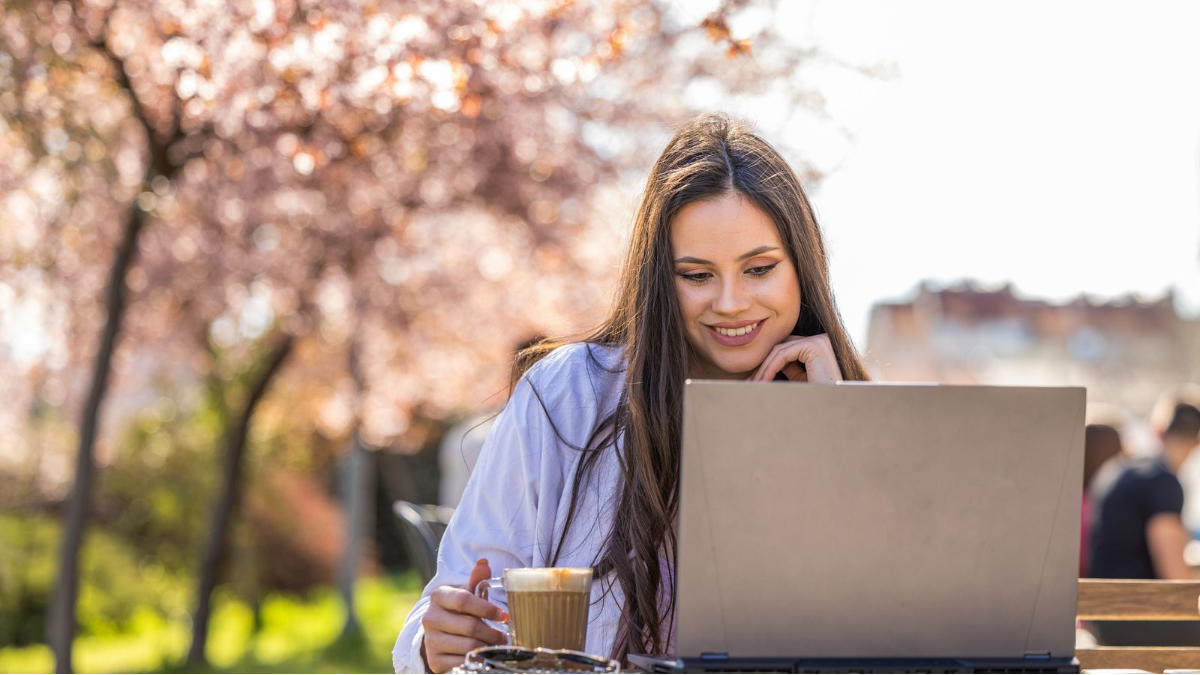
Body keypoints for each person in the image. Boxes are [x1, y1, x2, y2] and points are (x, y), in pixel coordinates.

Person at [391, 113, 871, 673]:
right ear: (658, 280)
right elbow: (455, 607)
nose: (732, 302)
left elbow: (894, 626)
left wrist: (840, 427)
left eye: (759, 269)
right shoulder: (569, 394)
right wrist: (433, 648)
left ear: (802, 269)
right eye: (696, 276)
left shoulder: (852, 408)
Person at [1087, 395, 1200, 646]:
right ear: (1197, 441)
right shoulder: (1162, 483)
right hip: (1135, 618)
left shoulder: (1122, 469)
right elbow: (1176, 580)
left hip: (1104, 616)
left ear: (1157, 429)